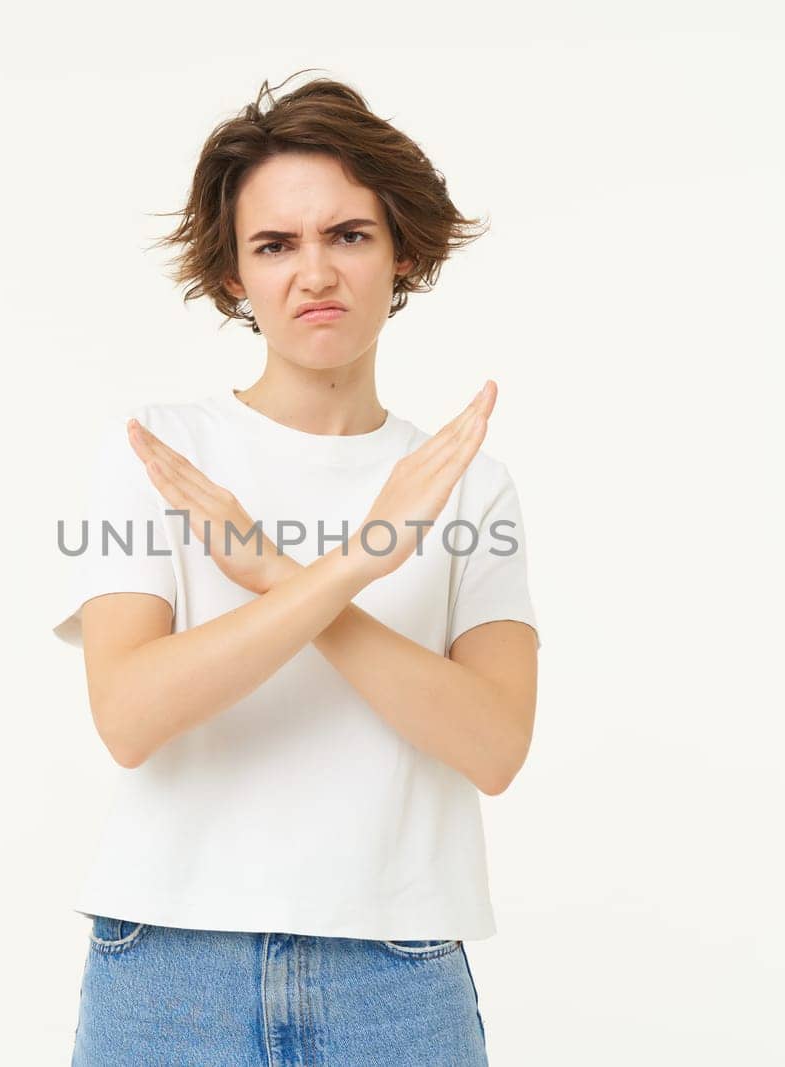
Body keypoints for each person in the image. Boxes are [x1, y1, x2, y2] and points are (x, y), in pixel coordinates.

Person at [52, 71, 540, 1066]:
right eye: (275, 244)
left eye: (347, 235)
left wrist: (281, 572)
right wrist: (352, 564)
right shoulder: (161, 454)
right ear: (234, 275)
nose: (313, 270)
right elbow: (129, 715)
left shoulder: (463, 484)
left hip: (396, 974)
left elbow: (493, 744)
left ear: (402, 250)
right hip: (168, 966)